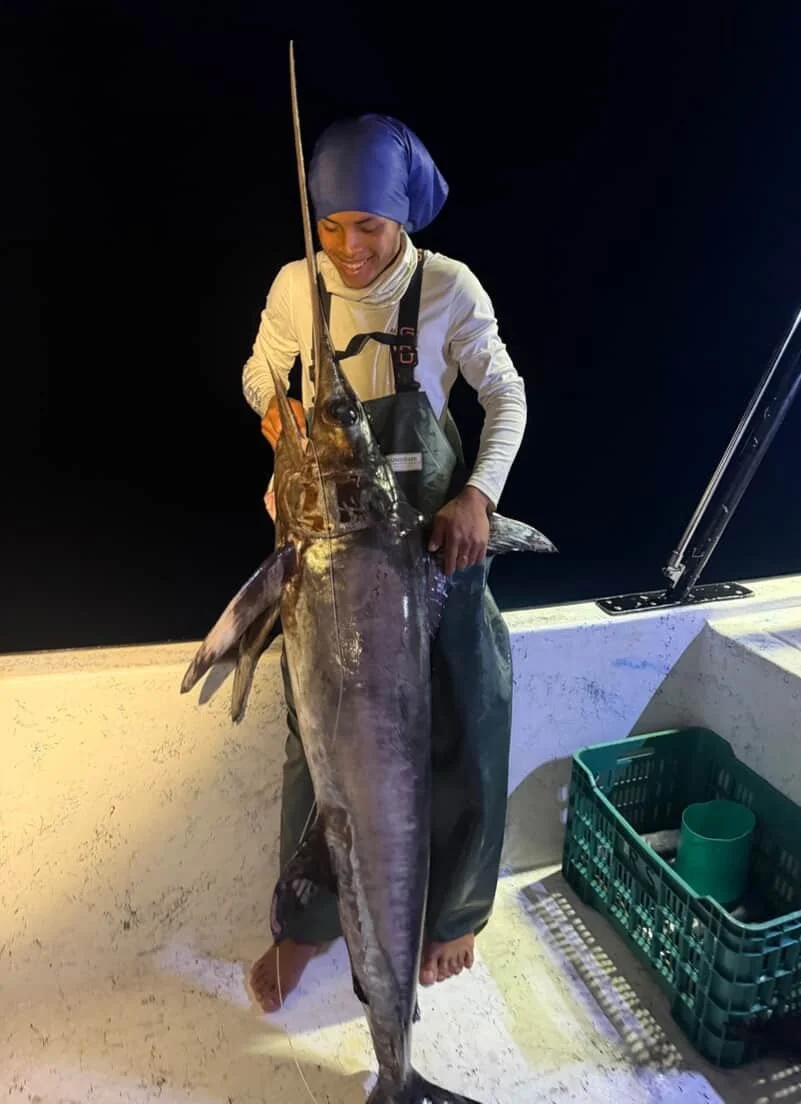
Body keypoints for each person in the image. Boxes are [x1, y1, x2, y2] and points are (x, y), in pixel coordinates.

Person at [240, 114, 527, 1013]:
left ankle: (456, 914)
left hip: (433, 546)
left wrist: (477, 495)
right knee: (312, 738)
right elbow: (260, 370)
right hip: (329, 546)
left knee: (471, 711)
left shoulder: (447, 288)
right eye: (332, 227)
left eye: (368, 226)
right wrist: (279, 427)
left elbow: (505, 395)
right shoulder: (299, 286)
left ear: (404, 216)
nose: (349, 249)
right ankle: (308, 925)